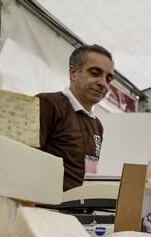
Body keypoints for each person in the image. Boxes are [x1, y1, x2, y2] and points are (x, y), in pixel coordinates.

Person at [37, 44, 115, 192]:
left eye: (108, 78)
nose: (103, 83)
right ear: (73, 73)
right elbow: (24, 158)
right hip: (46, 209)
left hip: (77, 211)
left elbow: (87, 173)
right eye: (95, 73)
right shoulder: (47, 103)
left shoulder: (97, 125)